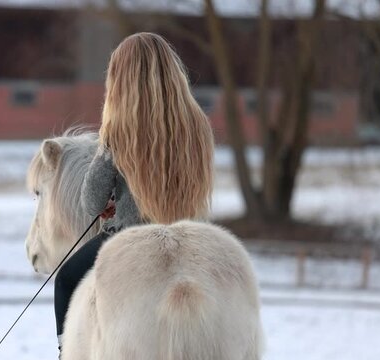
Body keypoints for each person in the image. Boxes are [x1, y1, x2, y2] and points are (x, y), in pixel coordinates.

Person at [53, 32, 215, 355]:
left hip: (131, 243)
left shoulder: (120, 131)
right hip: (191, 238)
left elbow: (91, 202)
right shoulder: (199, 126)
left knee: (66, 280)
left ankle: (66, 353)